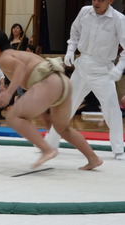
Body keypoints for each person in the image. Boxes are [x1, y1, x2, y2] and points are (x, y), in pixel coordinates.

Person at [0, 29, 103, 170]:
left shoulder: (4, 58)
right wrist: (44, 112)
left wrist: (9, 93)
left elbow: (20, 68)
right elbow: (33, 80)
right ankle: (93, 158)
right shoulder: (18, 54)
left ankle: (47, 150)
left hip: (49, 83)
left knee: (14, 117)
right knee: (63, 129)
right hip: (62, 82)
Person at [45, 0, 125, 160]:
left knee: (112, 110)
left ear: (110, 0)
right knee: (66, 105)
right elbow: (74, 32)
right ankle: (50, 142)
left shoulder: (119, 19)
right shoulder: (84, 11)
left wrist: (119, 67)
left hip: (103, 69)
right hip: (82, 66)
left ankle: (118, 148)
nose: (96, 2)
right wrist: (70, 50)